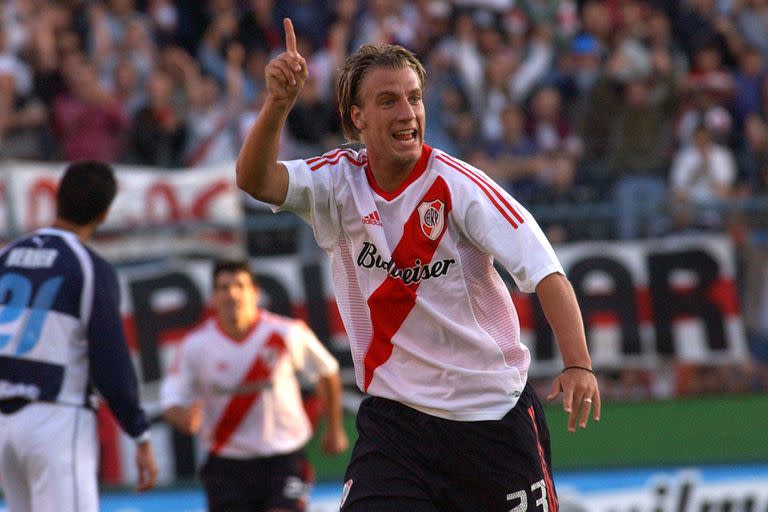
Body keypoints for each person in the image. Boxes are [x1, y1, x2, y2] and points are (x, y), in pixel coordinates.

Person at [236, 19, 600, 511]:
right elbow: (256, 180)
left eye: (414, 98)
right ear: (357, 117)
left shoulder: (461, 187)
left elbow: (546, 271)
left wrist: (578, 363)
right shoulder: (336, 181)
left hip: (490, 418)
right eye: (389, 100)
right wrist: (278, 104)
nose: (407, 113)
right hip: (397, 425)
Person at [0, 161, 158, 512]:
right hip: (56, 417)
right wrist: (139, 432)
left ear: (57, 198)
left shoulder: (7, 256)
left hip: (5, 425)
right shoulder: (87, 266)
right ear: (103, 215)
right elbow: (110, 362)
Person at [160, 259, 348, 512]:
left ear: (255, 293)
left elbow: (327, 371)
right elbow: (171, 399)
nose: (232, 294)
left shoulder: (285, 333)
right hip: (227, 464)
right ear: (214, 297)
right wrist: (181, 416)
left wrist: (334, 428)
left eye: (240, 285)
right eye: (224, 287)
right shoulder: (196, 346)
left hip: (285, 458)